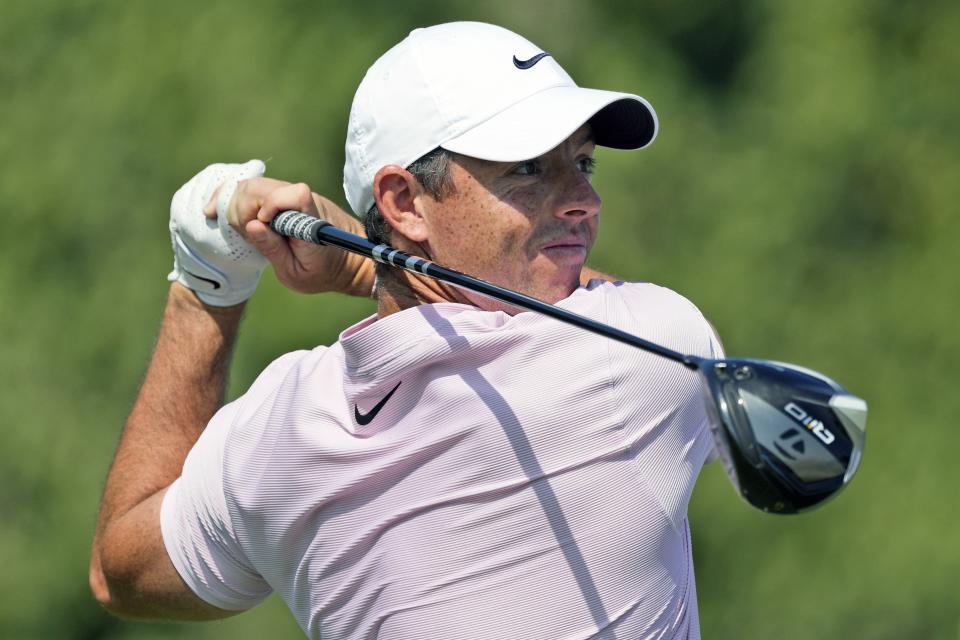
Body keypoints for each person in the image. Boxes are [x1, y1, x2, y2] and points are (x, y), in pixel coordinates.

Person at [90, 21, 723, 639]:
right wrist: (359, 265)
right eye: (528, 169)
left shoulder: (278, 430)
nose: (583, 198)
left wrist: (206, 288)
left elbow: (120, 570)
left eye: (584, 162)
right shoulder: (647, 357)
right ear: (402, 203)